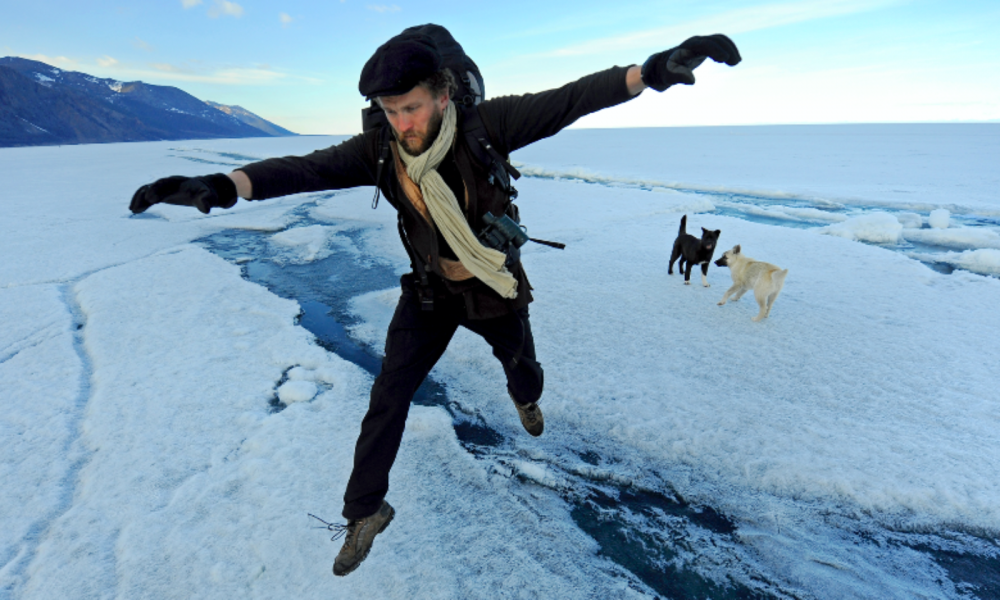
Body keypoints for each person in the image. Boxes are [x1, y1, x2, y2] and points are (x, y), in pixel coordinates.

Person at [129, 27, 741, 576]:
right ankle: (366, 509)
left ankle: (525, 396)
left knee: (520, 364)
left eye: (411, 108)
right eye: (389, 111)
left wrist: (653, 72)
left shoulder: (487, 127)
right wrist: (222, 185)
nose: (402, 123)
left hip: (494, 287)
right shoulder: (379, 150)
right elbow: (302, 170)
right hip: (429, 291)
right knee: (388, 391)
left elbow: (572, 99)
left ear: (443, 95)